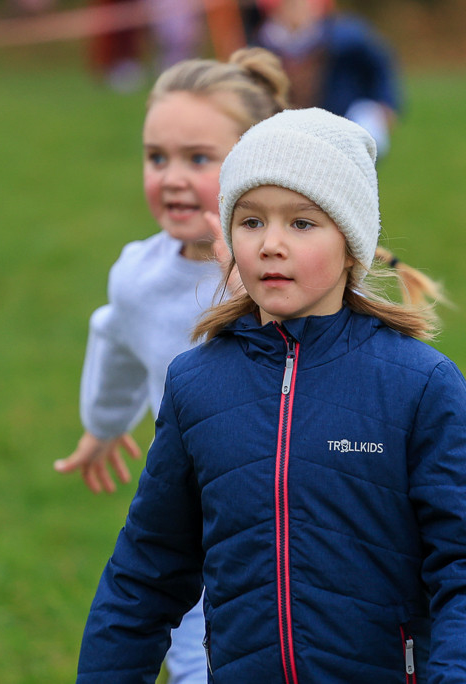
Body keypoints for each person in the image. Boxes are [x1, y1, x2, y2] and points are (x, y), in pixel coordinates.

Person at [76, 108, 466, 682]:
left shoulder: (419, 383)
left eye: (302, 223)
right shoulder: (195, 385)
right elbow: (145, 574)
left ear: (352, 245)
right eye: (251, 221)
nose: (271, 244)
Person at [54, 47, 291, 683]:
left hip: (303, 507)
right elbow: (115, 337)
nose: (172, 177)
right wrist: (103, 426)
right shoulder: (137, 275)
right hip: (199, 516)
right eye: (156, 157)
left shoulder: (283, 271)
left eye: (198, 158)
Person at [252, 0, 401, 156]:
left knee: (365, 134)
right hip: (289, 116)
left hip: (344, 112)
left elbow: (379, 66)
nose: (296, 11)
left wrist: (386, 102)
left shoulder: (345, 36)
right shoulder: (262, 43)